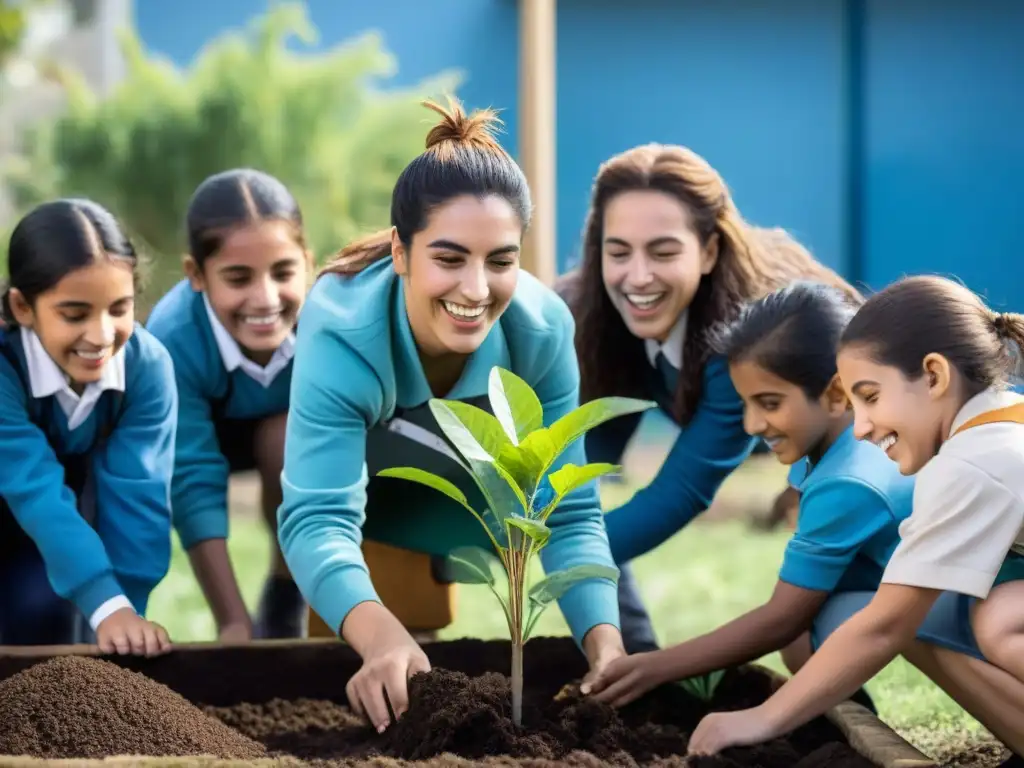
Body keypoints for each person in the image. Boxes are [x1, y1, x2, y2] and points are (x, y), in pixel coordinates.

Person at [278, 98, 626, 734]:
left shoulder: (541, 331)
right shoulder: (341, 327)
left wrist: (606, 645)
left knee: (418, 634)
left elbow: (566, 508)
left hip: (463, 486)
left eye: (501, 260)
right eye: (448, 258)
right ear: (400, 251)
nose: (475, 289)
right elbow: (317, 515)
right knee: (356, 648)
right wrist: (379, 635)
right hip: (372, 474)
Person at [688, 275, 1024, 766]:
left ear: (933, 376)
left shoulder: (969, 464)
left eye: (870, 396)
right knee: (987, 609)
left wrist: (761, 719)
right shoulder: (1000, 417)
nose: (861, 427)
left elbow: (885, 626)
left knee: (990, 619)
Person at [557, 145, 857, 654]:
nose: (638, 276)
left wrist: (557, 559)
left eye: (664, 251)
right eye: (618, 251)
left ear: (710, 252)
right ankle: (631, 656)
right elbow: (576, 484)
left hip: (877, 467)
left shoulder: (739, 340)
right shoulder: (592, 319)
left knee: (810, 634)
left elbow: (681, 493)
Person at [582, 281, 905, 713]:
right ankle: (841, 713)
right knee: (803, 625)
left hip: (968, 605)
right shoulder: (830, 449)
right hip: (908, 585)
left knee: (796, 618)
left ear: (835, 394)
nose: (751, 424)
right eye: (745, 403)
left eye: (769, 403)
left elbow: (779, 618)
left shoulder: (849, 478)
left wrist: (655, 667)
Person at [0, 198, 176, 655]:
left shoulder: (146, 367)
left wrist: (124, 612)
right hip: (25, 499)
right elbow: (32, 487)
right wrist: (104, 601)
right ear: (22, 306)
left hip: (61, 524)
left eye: (119, 308)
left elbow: (140, 494)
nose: (101, 336)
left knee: (46, 607)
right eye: (75, 314)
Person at [146, 169, 312, 642]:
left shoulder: (331, 323)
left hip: (285, 435)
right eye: (238, 278)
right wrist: (232, 623)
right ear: (196, 275)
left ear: (308, 262)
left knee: (284, 438)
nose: (265, 298)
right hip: (202, 433)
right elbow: (192, 476)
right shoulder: (173, 338)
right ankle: (246, 619)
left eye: (283, 272)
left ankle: (285, 595)